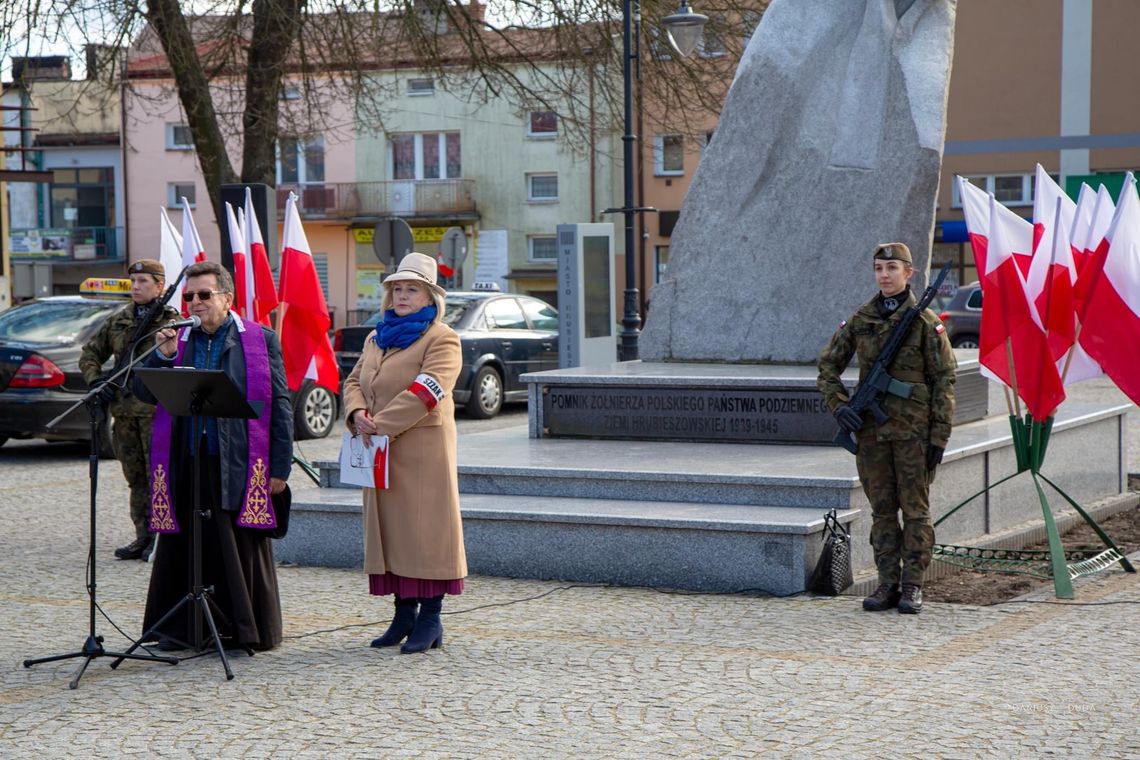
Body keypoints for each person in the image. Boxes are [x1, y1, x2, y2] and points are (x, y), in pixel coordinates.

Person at [133, 261, 292, 651]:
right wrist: (164, 356)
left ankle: (243, 629)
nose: (195, 303)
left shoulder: (259, 339)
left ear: (227, 298)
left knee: (236, 546)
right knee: (185, 543)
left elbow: (281, 402)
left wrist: (279, 465)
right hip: (186, 459)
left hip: (238, 461)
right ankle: (181, 629)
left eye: (204, 295)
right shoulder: (178, 339)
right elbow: (143, 391)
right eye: (189, 296)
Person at [816, 242, 956, 615]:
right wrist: (839, 406)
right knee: (881, 512)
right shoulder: (862, 319)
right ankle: (887, 583)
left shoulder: (926, 322)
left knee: (915, 511)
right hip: (872, 435)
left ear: (908, 273)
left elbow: (945, 380)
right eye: (879, 268)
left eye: (892, 267)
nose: (884, 275)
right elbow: (827, 367)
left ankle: (912, 584)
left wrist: (939, 435)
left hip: (913, 434)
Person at [342, 252, 466, 654]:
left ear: (430, 297)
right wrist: (357, 412)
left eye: (412, 288)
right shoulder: (375, 337)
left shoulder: (442, 337)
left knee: (425, 534)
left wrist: (381, 424)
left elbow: (430, 388)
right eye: (397, 288)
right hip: (379, 450)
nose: (402, 295)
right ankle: (403, 614)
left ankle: (430, 617)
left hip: (422, 450)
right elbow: (355, 379)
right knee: (392, 533)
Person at [79, 259, 180, 561]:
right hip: (122, 412)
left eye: (143, 281)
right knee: (135, 478)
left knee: (159, 476)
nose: (136, 287)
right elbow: (90, 353)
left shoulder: (171, 322)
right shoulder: (119, 320)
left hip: (155, 413)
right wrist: (97, 381)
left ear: (160, 286)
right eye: (133, 282)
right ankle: (142, 536)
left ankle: (163, 537)